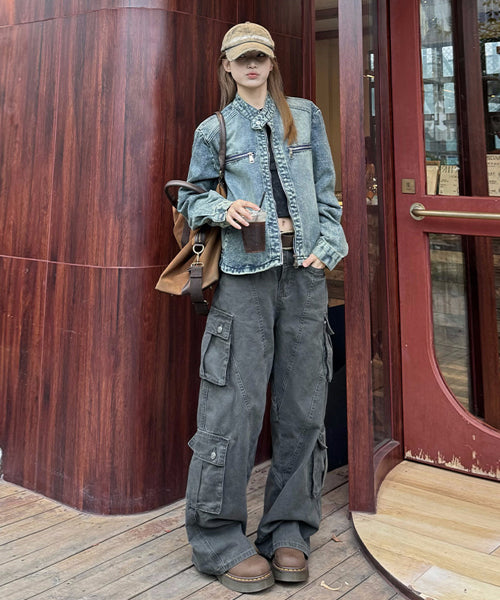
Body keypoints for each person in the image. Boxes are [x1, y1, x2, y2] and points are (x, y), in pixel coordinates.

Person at [177, 22, 348, 594]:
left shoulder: (306, 116)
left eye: (260, 57)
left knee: (303, 407)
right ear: (227, 67)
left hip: (304, 277)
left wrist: (329, 246)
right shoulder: (215, 129)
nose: (252, 65)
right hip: (244, 280)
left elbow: (327, 194)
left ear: (272, 63)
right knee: (233, 408)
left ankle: (289, 529)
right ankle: (217, 539)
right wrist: (220, 208)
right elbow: (190, 197)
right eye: (241, 58)